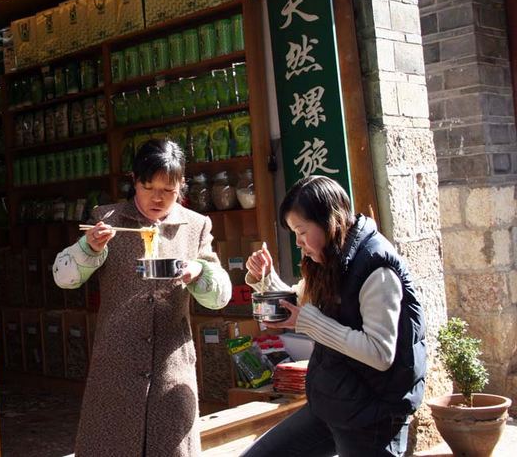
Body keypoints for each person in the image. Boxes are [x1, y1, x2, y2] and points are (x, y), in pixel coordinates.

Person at [53, 139, 232, 457]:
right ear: (134, 180)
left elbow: (220, 296)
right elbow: (64, 278)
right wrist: (88, 248)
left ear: (181, 187)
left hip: (171, 371)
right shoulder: (107, 218)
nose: (158, 198)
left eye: (169, 189)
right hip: (116, 371)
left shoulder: (195, 225)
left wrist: (198, 272)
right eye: (149, 187)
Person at [239, 175, 426, 457]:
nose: (299, 243)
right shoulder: (329, 256)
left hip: (373, 415)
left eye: (302, 232)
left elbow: (380, 353)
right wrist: (264, 278)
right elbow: (301, 303)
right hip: (333, 403)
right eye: (295, 234)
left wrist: (309, 323)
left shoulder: (377, 267)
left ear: (329, 221)